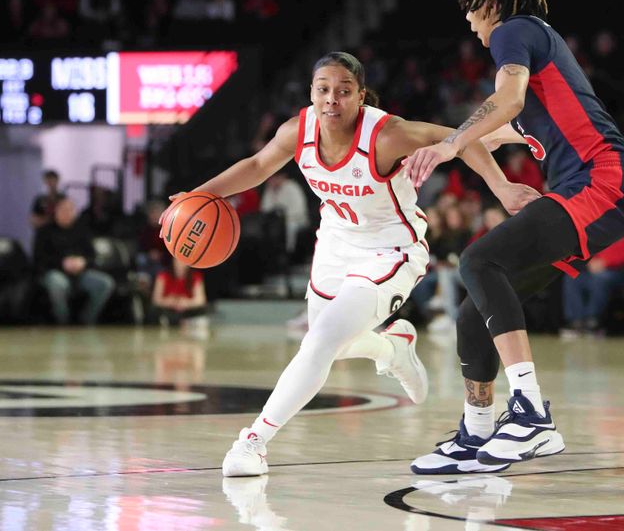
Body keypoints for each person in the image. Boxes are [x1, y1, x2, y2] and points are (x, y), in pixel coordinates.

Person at [164, 52, 536, 477]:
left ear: (361, 96)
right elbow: (256, 166)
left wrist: (502, 187)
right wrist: (198, 195)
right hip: (335, 246)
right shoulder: (297, 131)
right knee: (330, 346)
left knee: (319, 342)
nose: (332, 99)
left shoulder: (387, 135)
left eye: (343, 91)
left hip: (390, 251)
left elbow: (461, 139)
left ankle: (254, 441)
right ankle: (392, 347)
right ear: (311, 93)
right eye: (323, 89)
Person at [404, 0, 624, 474]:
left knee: (477, 261)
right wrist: (498, 183)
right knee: (473, 311)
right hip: (594, 191)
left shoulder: (515, 30)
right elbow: (485, 134)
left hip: (603, 181)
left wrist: (448, 147)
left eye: (471, 8)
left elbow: (504, 101)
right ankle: (478, 430)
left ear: (490, 3)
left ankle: (532, 414)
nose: (469, 21)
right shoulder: (538, 65)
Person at [34, 198, 115, 325]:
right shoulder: (44, 231)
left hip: (80, 273)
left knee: (105, 283)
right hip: (54, 272)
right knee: (57, 284)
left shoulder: (82, 230)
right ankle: (63, 321)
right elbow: (38, 259)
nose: (67, 213)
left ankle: (87, 319)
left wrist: (83, 262)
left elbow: (93, 257)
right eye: (63, 210)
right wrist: (62, 263)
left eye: (70, 210)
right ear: (56, 211)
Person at [151, 257, 208, 326]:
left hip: (188, 312)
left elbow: (201, 300)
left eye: (183, 262)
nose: (180, 264)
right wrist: (169, 301)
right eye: (178, 261)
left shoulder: (196, 276)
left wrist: (187, 303)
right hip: (169, 311)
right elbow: (156, 299)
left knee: (201, 311)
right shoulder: (163, 276)